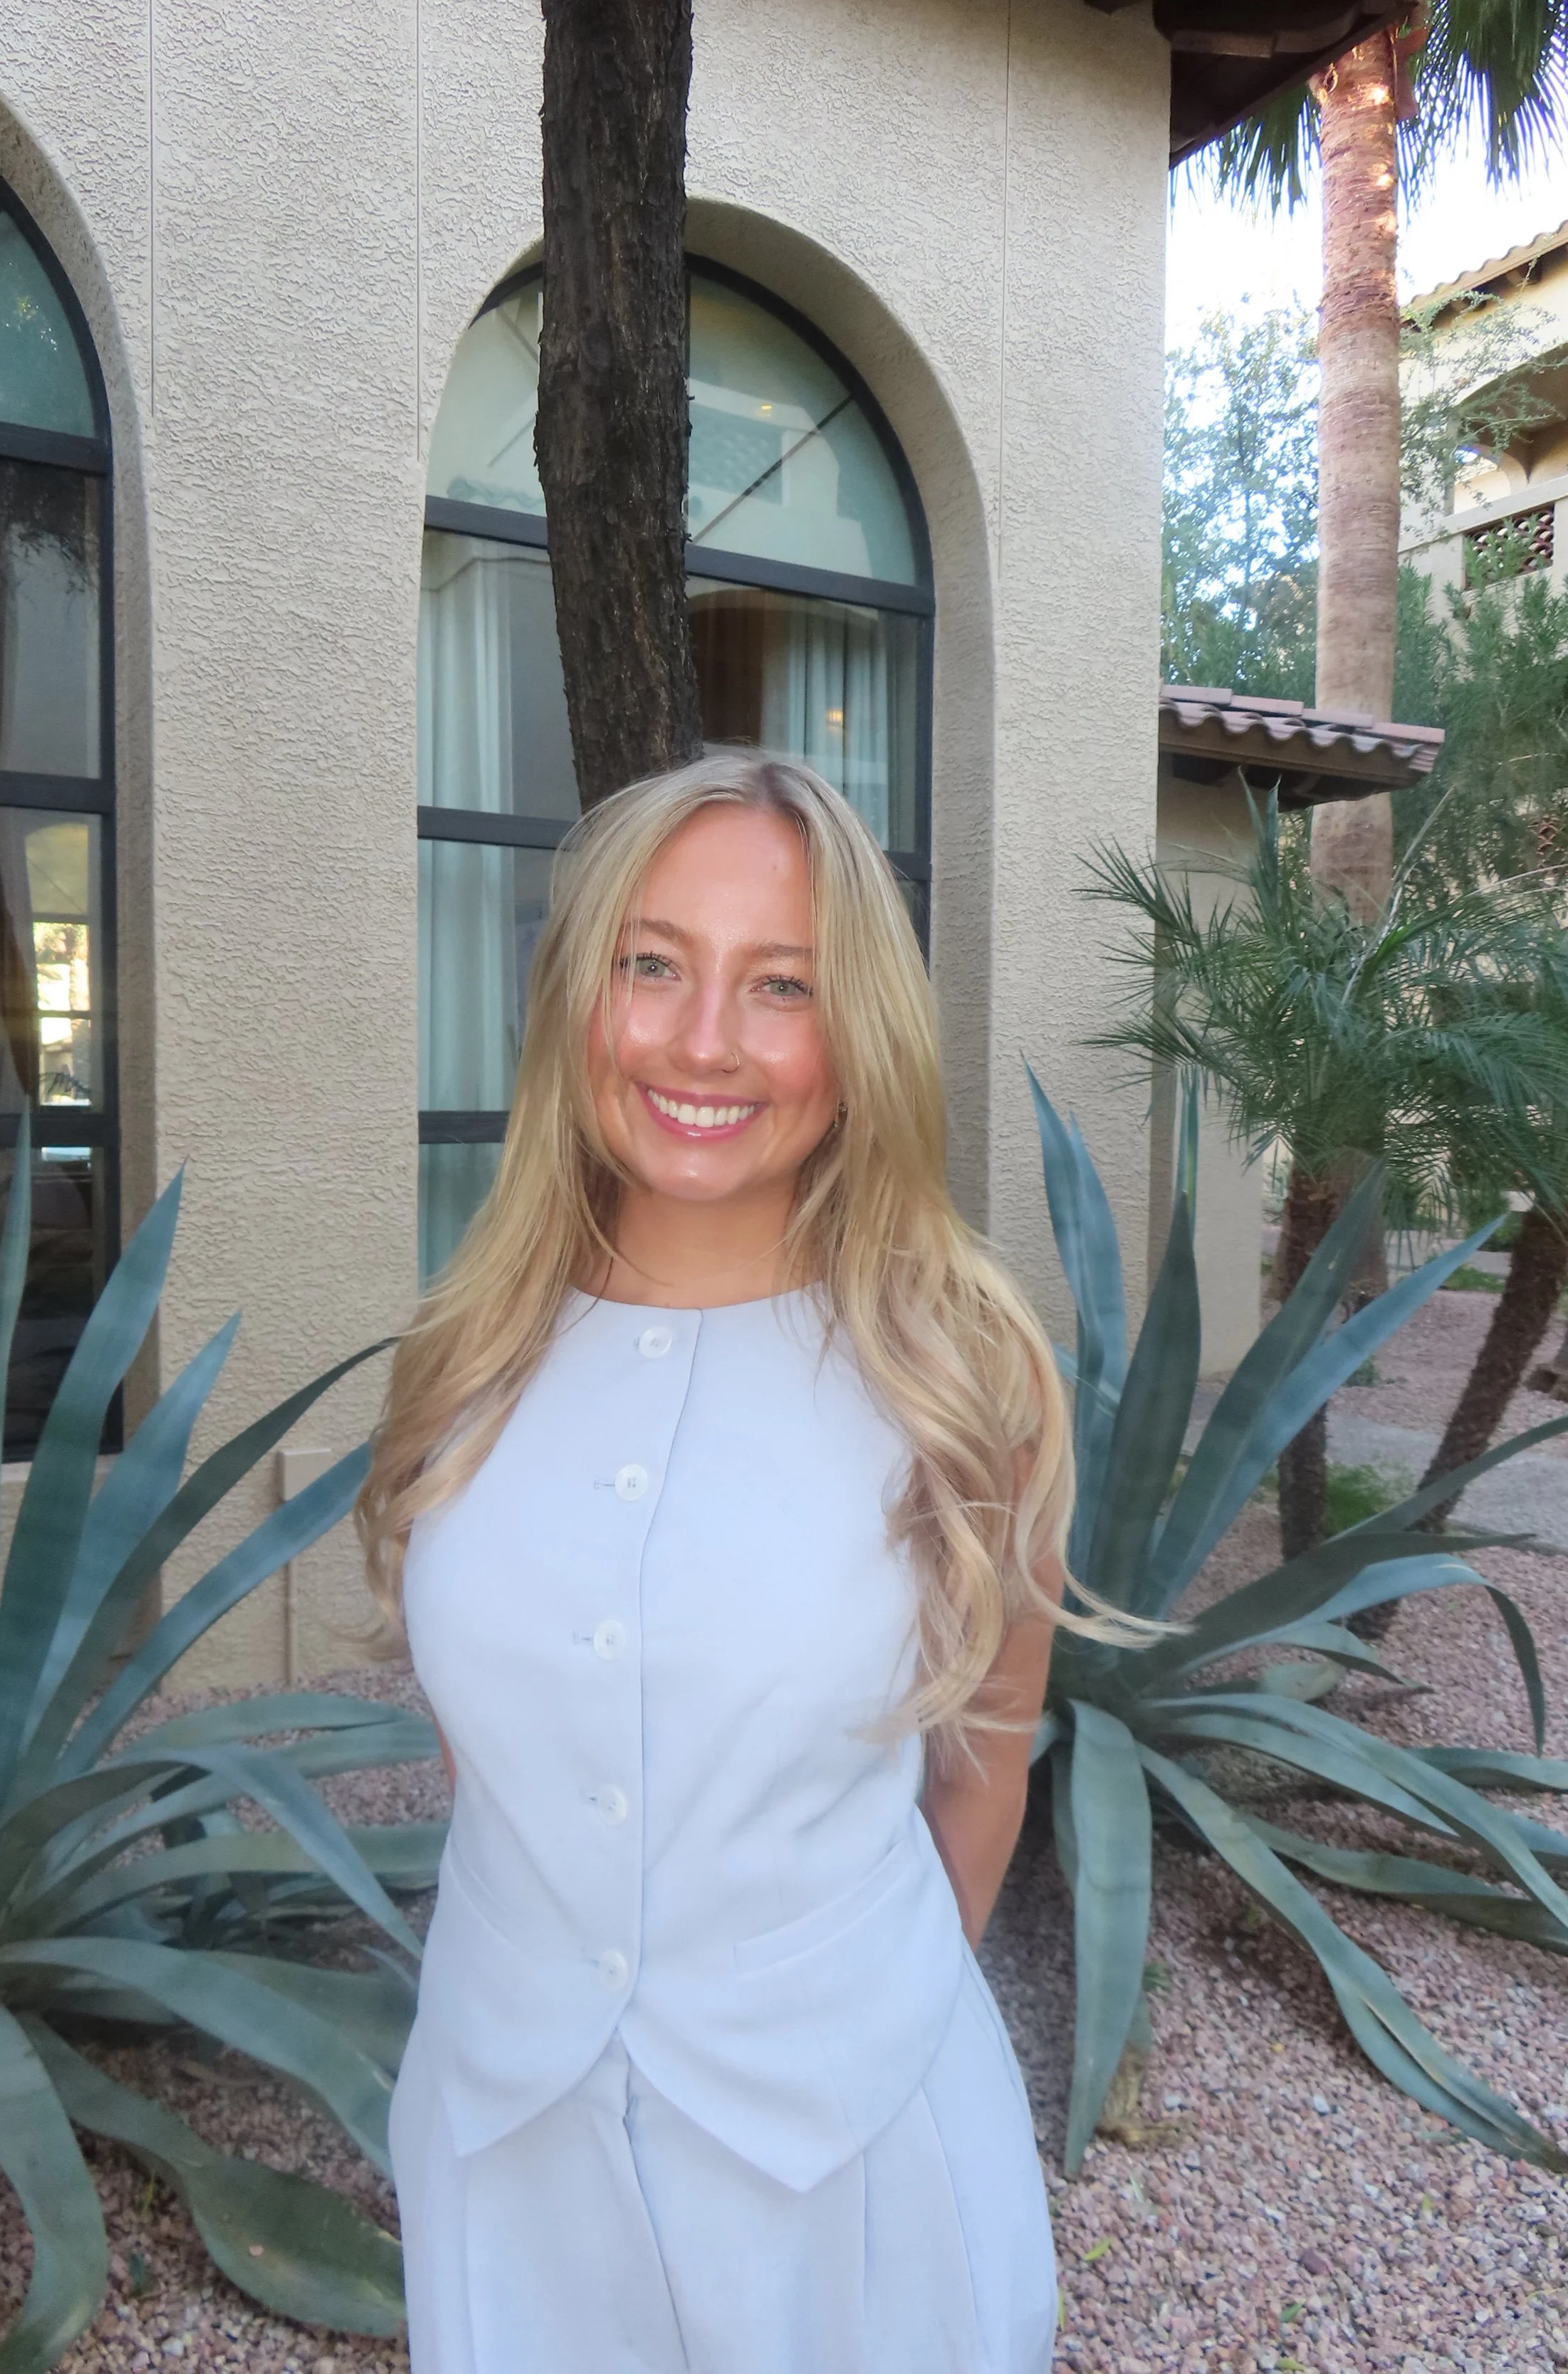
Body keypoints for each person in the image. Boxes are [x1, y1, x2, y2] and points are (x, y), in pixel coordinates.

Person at [357, 752, 1144, 2374]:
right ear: (579, 997)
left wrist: (837, 2023)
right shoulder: (465, 1357)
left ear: (860, 1038)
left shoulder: (963, 1382)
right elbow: (491, 1756)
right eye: (652, 963)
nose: (703, 1039)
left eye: (780, 983)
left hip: (853, 2183)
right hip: (505, 2151)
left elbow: (982, 1772)